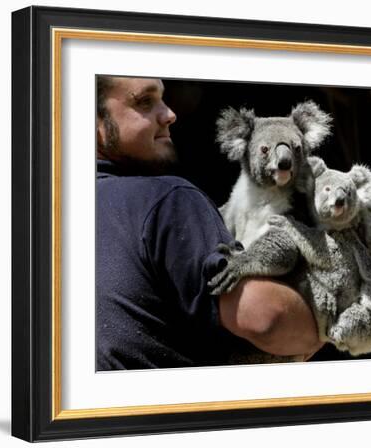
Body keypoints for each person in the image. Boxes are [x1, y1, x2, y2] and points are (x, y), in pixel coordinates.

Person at [96, 76, 323, 370]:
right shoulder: (166, 199)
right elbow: (267, 319)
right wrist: (328, 319)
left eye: (163, 99)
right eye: (144, 102)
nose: (169, 114)